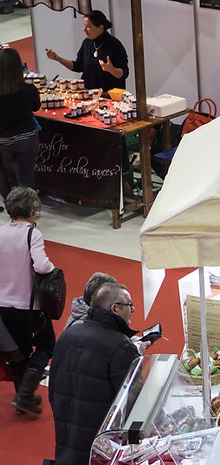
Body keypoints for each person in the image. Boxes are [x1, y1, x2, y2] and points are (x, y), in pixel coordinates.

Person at [49, 282, 150, 465]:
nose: (133, 310)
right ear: (115, 308)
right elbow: (133, 400)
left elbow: (52, 384)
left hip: (66, 421)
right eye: (130, 305)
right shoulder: (122, 346)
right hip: (100, 436)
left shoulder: (69, 334)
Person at [0, 187, 55, 414]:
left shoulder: (1, 232)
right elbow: (42, 266)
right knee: (47, 345)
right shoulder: (33, 234)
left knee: (18, 352)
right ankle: (25, 394)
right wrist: (54, 269)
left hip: (2, 305)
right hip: (28, 306)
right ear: (33, 211)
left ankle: (23, 398)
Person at [45, 10, 129, 91]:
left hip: (109, 97)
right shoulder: (87, 42)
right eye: (84, 26)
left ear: (100, 28)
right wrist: (57, 58)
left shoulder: (115, 45)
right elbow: (78, 66)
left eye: (88, 27)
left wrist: (111, 69)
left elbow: (124, 74)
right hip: (88, 94)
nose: (84, 29)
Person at [0, 47, 41, 198]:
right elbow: (36, 107)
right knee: (26, 178)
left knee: (10, 176)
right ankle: (26, 210)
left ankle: (12, 204)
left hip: (4, 142)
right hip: (27, 139)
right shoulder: (29, 89)